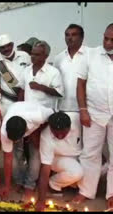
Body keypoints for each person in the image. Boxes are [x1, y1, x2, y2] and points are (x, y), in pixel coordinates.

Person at [73, 23, 113, 210]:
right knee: (90, 154)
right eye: (106, 38)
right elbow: (80, 84)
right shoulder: (91, 55)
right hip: (94, 113)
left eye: (112, 40)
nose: (107, 42)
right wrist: (83, 110)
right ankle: (86, 191)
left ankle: (111, 193)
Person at [0, 101, 54, 201]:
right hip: (17, 112)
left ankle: (29, 186)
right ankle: (19, 181)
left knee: (36, 154)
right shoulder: (4, 131)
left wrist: (37, 131)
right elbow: (8, 159)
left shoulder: (38, 116)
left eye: (16, 139)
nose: (14, 141)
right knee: (15, 156)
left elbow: (52, 116)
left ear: (25, 131)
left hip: (36, 124)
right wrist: (7, 186)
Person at [35, 112, 83, 211]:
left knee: (101, 168)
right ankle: (53, 184)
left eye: (63, 133)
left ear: (70, 126)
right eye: (56, 133)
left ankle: (72, 184)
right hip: (59, 158)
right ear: (51, 128)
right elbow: (45, 169)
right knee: (76, 172)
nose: (60, 136)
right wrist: (41, 200)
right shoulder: (46, 135)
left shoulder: (77, 119)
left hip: (80, 155)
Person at [0, 34, 31, 115]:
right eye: (2, 47)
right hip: (8, 102)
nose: (6, 49)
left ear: (12, 45)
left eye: (8, 46)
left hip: (27, 98)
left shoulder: (25, 56)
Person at [18, 40, 64, 109]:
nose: (33, 56)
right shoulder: (26, 70)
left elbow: (59, 93)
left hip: (46, 113)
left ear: (45, 56)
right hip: (27, 111)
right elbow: (22, 90)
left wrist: (40, 87)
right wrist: (19, 107)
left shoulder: (53, 72)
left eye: (37, 54)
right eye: (32, 54)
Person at [54, 24, 88, 112]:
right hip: (63, 107)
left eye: (74, 35)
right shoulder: (58, 58)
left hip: (86, 108)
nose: (69, 37)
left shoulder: (90, 55)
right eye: (67, 35)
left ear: (82, 37)